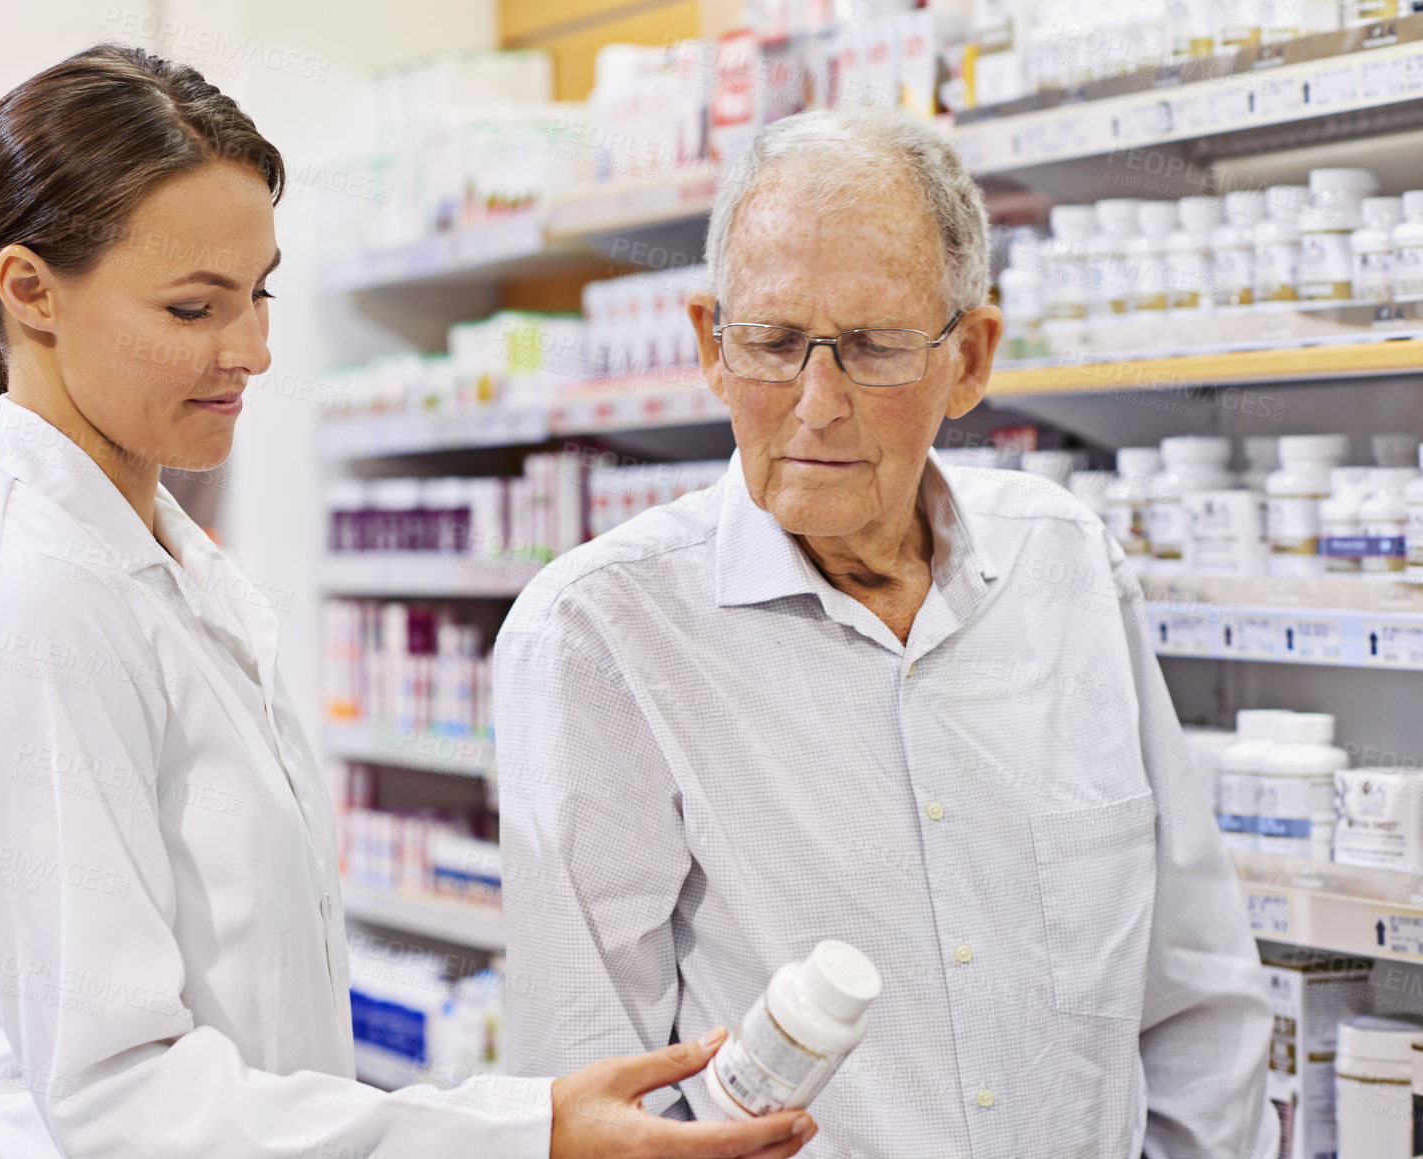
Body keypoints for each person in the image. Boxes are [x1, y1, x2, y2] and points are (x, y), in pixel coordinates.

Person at [0, 43, 821, 1159]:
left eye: (259, 293)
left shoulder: (155, 558)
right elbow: (123, 1102)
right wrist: (526, 1138)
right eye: (194, 308)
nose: (255, 350)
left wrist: (532, 1114)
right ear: (30, 291)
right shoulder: (31, 601)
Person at [494, 106, 1280, 1159]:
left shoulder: (1068, 567)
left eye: (874, 348)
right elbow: (596, 1089)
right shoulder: (602, 634)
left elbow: (1194, 993)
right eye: (772, 342)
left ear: (971, 357)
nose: (816, 405)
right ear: (711, 348)